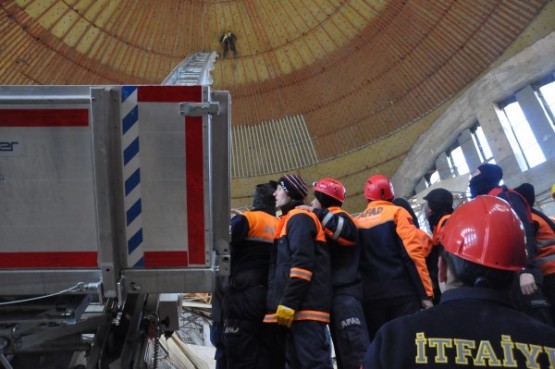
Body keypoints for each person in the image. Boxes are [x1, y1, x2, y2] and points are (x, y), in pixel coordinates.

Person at [362, 195, 555, 369]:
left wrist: (425, 295)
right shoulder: (547, 343)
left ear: (442, 269)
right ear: (517, 271)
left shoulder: (393, 340)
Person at [298, 178, 369, 369]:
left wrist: (316, 212)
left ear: (322, 197)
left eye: (314, 199)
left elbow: (347, 233)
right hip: (335, 297)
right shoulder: (327, 219)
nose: (311, 203)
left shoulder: (342, 217)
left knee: (355, 351)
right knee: (345, 352)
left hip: (346, 296)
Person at [263, 174, 333, 369]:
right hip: (297, 314)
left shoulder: (300, 218)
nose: (275, 193)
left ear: (289, 192)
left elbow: (302, 265)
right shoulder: (288, 220)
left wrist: (288, 304)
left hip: (304, 313)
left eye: (278, 188)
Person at [469, 163, 551, 324]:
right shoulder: (488, 202)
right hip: (507, 276)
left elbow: (522, 231)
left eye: (475, 175)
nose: (471, 181)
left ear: (487, 176)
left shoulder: (505, 197)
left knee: (539, 324)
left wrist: (527, 270)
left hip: (521, 275)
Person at [356, 174, 433, 340]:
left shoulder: (357, 221)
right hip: (402, 294)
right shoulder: (398, 212)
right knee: (408, 347)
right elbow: (413, 254)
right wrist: (425, 294)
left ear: (367, 196)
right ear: (391, 195)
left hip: (371, 299)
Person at [222, 181, 278, 368]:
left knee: (240, 356)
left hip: (242, 296)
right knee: (266, 357)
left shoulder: (247, 219)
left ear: (256, 200)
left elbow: (221, 242)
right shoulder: (281, 225)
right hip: (270, 300)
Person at [514, 182, 555, 323]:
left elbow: (525, 244)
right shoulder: (540, 216)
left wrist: (525, 270)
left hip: (550, 273)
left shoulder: (531, 219)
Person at [422, 188, 454, 304]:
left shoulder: (446, 227)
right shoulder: (447, 222)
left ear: (431, 210)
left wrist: (433, 280)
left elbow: (449, 263)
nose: (424, 210)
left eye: (426, 205)